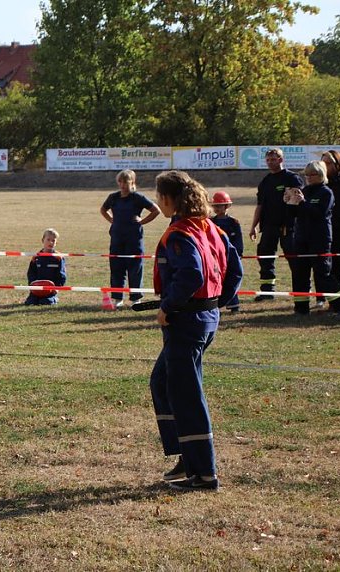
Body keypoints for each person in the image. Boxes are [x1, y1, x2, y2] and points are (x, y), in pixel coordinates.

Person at [149, 170, 243, 492]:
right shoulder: (212, 228)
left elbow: (190, 273)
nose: (156, 200)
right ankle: (187, 458)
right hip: (202, 318)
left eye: (158, 195)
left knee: (186, 396)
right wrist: (216, 303)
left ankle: (203, 474)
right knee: (162, 381)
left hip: (186, 323)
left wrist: (169, 306)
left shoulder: (180, 233)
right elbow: (236, 270)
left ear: (169, 199)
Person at [284, 161, 340, 317]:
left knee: (323, 275)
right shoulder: (304, 191)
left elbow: (319, 213)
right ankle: (301, 308)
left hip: (319, 239)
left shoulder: (326, 193)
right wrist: (289, 202)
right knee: (299, 274)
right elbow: (293, 216)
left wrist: (302, 202)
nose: (309, 177)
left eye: (312, 174)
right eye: (306, 174)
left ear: (321, 175)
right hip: (301, 238)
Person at [99, 170, 161, 308]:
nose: (122, 185)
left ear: (132, 182)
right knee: (116, 268)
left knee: (135, 269)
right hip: (116, 238)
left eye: (125, 182)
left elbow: (156, 210)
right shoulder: (113, 197)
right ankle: (117, 298)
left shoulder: (137, 197)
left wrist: (142, 221)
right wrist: (112, 220)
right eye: (120, 182)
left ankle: (135, 298)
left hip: (134, 239)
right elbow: (103, 210)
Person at [249, 148, 303, 301]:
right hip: (269, 227)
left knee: (294, 260)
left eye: (273, 159)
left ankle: (301, 293)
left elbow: (299, 202)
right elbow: (260, 206)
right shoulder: (265, 182)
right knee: (265, 258)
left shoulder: (292, 178)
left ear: (281, 160)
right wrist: (253, 226)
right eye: (268, 160)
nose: (270, 162)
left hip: (289, 227)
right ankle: (267, 291)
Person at [210, 191, 244, 312]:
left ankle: (234, 305)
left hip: (230, 257)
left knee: (231, 280)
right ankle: (214, 305)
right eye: (215, 206)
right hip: (214, 257)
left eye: (219, 206)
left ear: (227, 206)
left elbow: (238, 240)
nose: (217, 208)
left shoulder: (233, 223)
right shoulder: (210, 222)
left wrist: (238, 254)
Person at [322, 150, 340, 288]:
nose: (325, 166)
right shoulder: (321, 183)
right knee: (325, 264)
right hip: (324, 229)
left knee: (337, 263)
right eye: (323, 163)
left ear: (337, 164)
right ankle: (327, 296)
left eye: (328, 163)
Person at [24, 228, 67, 306]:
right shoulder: (36, 257)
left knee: (46, 302)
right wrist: (32, 285)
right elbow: (31, 273)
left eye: (53, 240)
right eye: (48, 239)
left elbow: (62, 275)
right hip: (37, 288)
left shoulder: (58, 258)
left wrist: (57, 288)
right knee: (30, 302)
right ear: (43, 240)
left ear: (56, 243)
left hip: (50, 290)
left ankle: (54, 298)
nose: (51, 242)